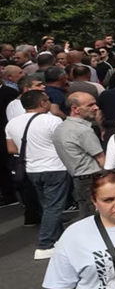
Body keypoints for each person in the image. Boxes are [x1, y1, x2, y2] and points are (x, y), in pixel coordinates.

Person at [7, 89, 68, 259]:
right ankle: (45, 244)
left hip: (32, 169)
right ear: (42, 103)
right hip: (55, 167)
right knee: (54, 207)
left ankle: (59, 239)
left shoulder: (12, 123)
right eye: (48, 100)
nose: (49, 102)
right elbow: (64, 143)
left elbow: (11, 148)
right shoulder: (53, 121)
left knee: (47, 206)